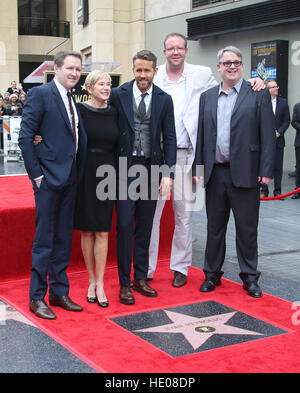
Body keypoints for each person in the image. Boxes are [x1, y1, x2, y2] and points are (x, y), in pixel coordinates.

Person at [148, 32, 266, 287]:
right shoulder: (152, 74)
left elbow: (232, 84)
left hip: (187, 155)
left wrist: (257, 82)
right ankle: (146, 269)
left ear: (187, 51)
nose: (176, 52)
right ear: (164, 52)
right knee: (151, 216)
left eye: (180, 47)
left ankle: (180, 268)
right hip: (156, 157)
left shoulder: (202, 75)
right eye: (171, 48)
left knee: (185, 217)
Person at [192, 46, 276, 298]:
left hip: (247, 173)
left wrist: (266, 170)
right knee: (214, 228)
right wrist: (198, 168)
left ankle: (250, 277)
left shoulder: (257, 93)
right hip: (215, 173)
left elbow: (268, 136)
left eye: (236, 62)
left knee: (247, 229)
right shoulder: (206, 97)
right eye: (226, 63)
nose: (231, 66)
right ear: (218, 67)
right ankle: (211, 274)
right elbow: (202, 135)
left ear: (242, 66)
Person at [18, 50, 87, 320]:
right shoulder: (41, 94)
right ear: (56, 69)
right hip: (47, 180)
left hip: (70, 179)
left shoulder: (72, 99)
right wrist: (37, 177)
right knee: (44, 240)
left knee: (62, 239)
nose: (74, 73)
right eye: (69, 68)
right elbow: (25, 138)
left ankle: (59, 292)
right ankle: (37, 297)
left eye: (78, 69)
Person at [109, 50, 177, 305]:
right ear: (133, 69)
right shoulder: (118, 95)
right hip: (124, 168)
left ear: (155, 71)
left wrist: (168, 173)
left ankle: (140, 278)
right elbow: (107, 127)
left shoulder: (164, 99)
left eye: (147, 70)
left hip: (151, 168)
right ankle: (124, 283)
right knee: (125, 225)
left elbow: (170, 138)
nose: (142, 75)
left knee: (145, 226)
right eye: (138, 70)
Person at [74, 71, 119, 307]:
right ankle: (91, 280)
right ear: (89, 88)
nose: (106, 87)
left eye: (109, 84)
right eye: (101, 84)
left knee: (102, 230)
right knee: (87, 231)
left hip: (107, 174)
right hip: (84, 174)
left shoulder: (114, 112)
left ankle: (100, 283)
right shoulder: (79, 111)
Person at [260, 79, 290, 198]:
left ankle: (278, 191)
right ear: (267, 90)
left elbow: (287, 120)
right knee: (265, 165)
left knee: (278, 166)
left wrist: (279, 132)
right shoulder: (262, 102)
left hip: (278, 140)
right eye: (273, 87)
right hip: (264, 141)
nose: (277, 88)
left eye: (277, 86)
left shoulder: (283, 102)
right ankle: (264, 190)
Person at [291, 102, 300, 199]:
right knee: (299, 168)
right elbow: (294, 122)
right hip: (299, 143)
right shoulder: (297, 106)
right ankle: (298, 190)